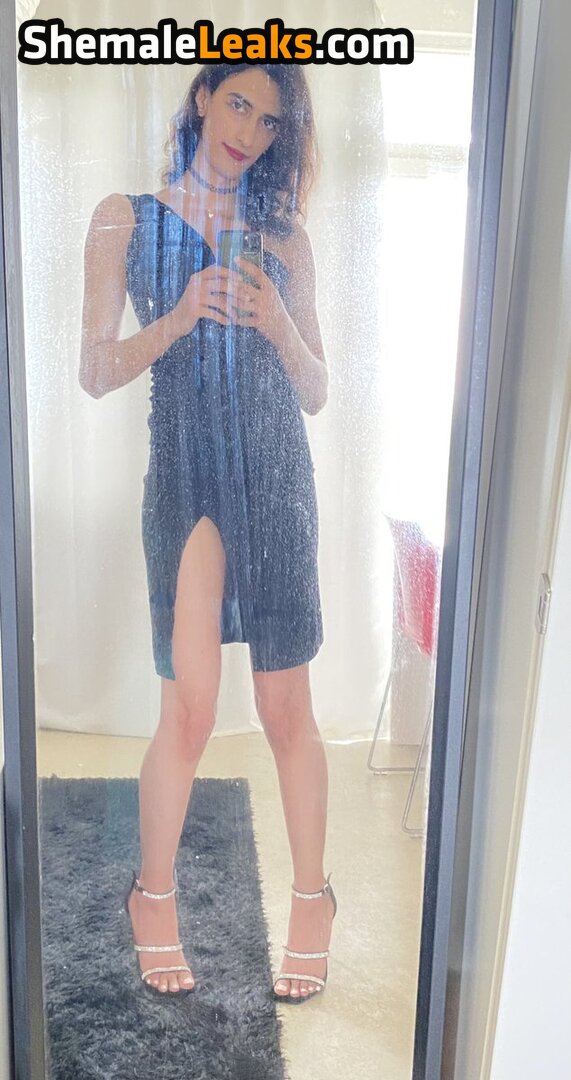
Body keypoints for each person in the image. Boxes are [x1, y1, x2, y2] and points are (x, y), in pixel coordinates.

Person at [79, 62, 336, 1005]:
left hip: (275, 479)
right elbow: (94, 372)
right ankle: (151, 896)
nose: (248, 131)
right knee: (187, 712)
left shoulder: (285, 237)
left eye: (269, 122)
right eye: (237, 103)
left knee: (284, 709)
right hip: (185, 481)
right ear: (201, 99)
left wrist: (278, 328)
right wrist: (182, 315)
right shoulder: (124, 218)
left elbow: (316, 390)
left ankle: (312, 902)